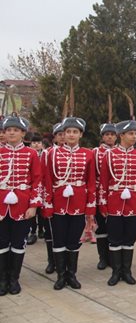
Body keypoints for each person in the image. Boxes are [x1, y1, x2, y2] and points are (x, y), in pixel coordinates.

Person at [43, 116, 96, 290]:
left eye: (75, 132)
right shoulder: (51, 154)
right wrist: (48, 204)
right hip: (58, 203)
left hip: (79, 202)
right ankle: (60, 275)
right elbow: (47, 180)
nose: (71, 135)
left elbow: (91, 181)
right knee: (59, 240)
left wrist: (90, 206)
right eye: (68, 132)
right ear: (63, 135)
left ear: (80, 134)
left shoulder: (88, 154)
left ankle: (71, 274)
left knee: (73, 240)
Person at [99, 118, 136, 286]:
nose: (134, 136)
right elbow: (104, 182)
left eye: (135, 133)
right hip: (114, 202)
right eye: (130, 133)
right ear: (121, 135)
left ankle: (126, 271)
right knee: (114, 238)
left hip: (134, 202)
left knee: (129, 238)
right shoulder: (109, 154)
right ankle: (115, 272)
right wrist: (103, 203)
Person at [0, 115, 43, 295]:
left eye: (15, 130)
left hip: (22, 206)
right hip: (1, 205)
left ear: (23, 133)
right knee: (2, 243)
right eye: (8, 130)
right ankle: (2, 279)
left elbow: (37, 180)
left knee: (18, 243)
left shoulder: (31, 153)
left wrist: (33, 205)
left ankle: (14, 278)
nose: (11, 132)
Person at [39, 122, 65, 275]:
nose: (63, 137)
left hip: (67, 200)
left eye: (64, 133)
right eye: (60, 134)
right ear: (54, 137)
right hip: (50, 198)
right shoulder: (48, 153)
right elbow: (43, 178)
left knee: (62, 233)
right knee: (50, 232)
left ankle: (63, 264)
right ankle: (52, 261)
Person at [92, 121, 117, 270]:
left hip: (115, 194)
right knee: (101, 227)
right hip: (99, 193)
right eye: (107, 135)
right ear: (102, 137)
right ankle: (103, 257)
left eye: (112, 135)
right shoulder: (96, 152)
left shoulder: (119, 152)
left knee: (113, 227)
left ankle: (113, 257)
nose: (110, 137)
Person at [25, 133, 44, 245]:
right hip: (32, 187)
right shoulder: (28, 155)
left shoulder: (45, 155)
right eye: (34, 142)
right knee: (32, 211)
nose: (36, 144)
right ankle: (33, 232)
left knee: (41, 212)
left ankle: (41, 230)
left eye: (38, 142)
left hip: (43, 188)